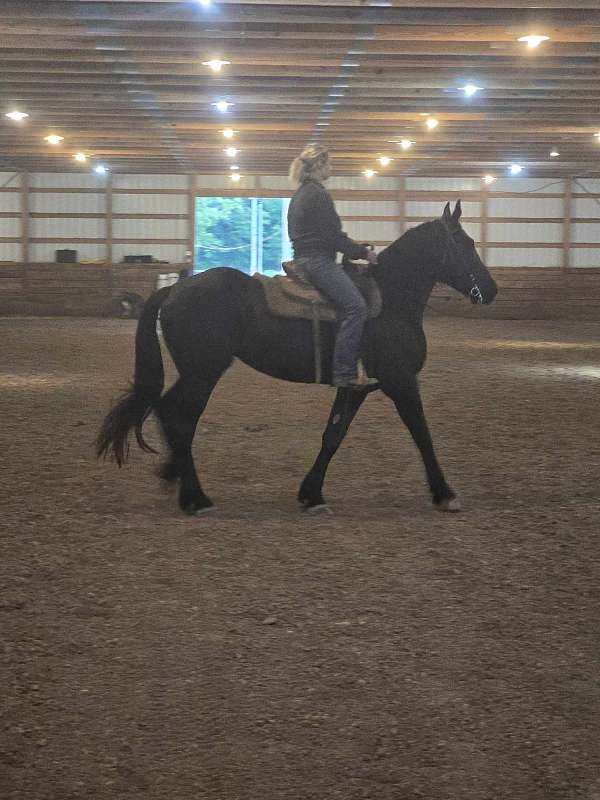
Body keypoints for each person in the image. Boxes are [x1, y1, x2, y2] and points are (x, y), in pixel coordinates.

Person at [287, 144, 378, 389]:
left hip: (305, 258)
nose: (332, 167)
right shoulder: (318, 194)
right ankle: (344, 372)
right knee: (356, 307)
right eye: (329, 163)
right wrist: (364, 253)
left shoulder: (301, 194)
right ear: (319, 166)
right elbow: (334, 237)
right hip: (317, 261)